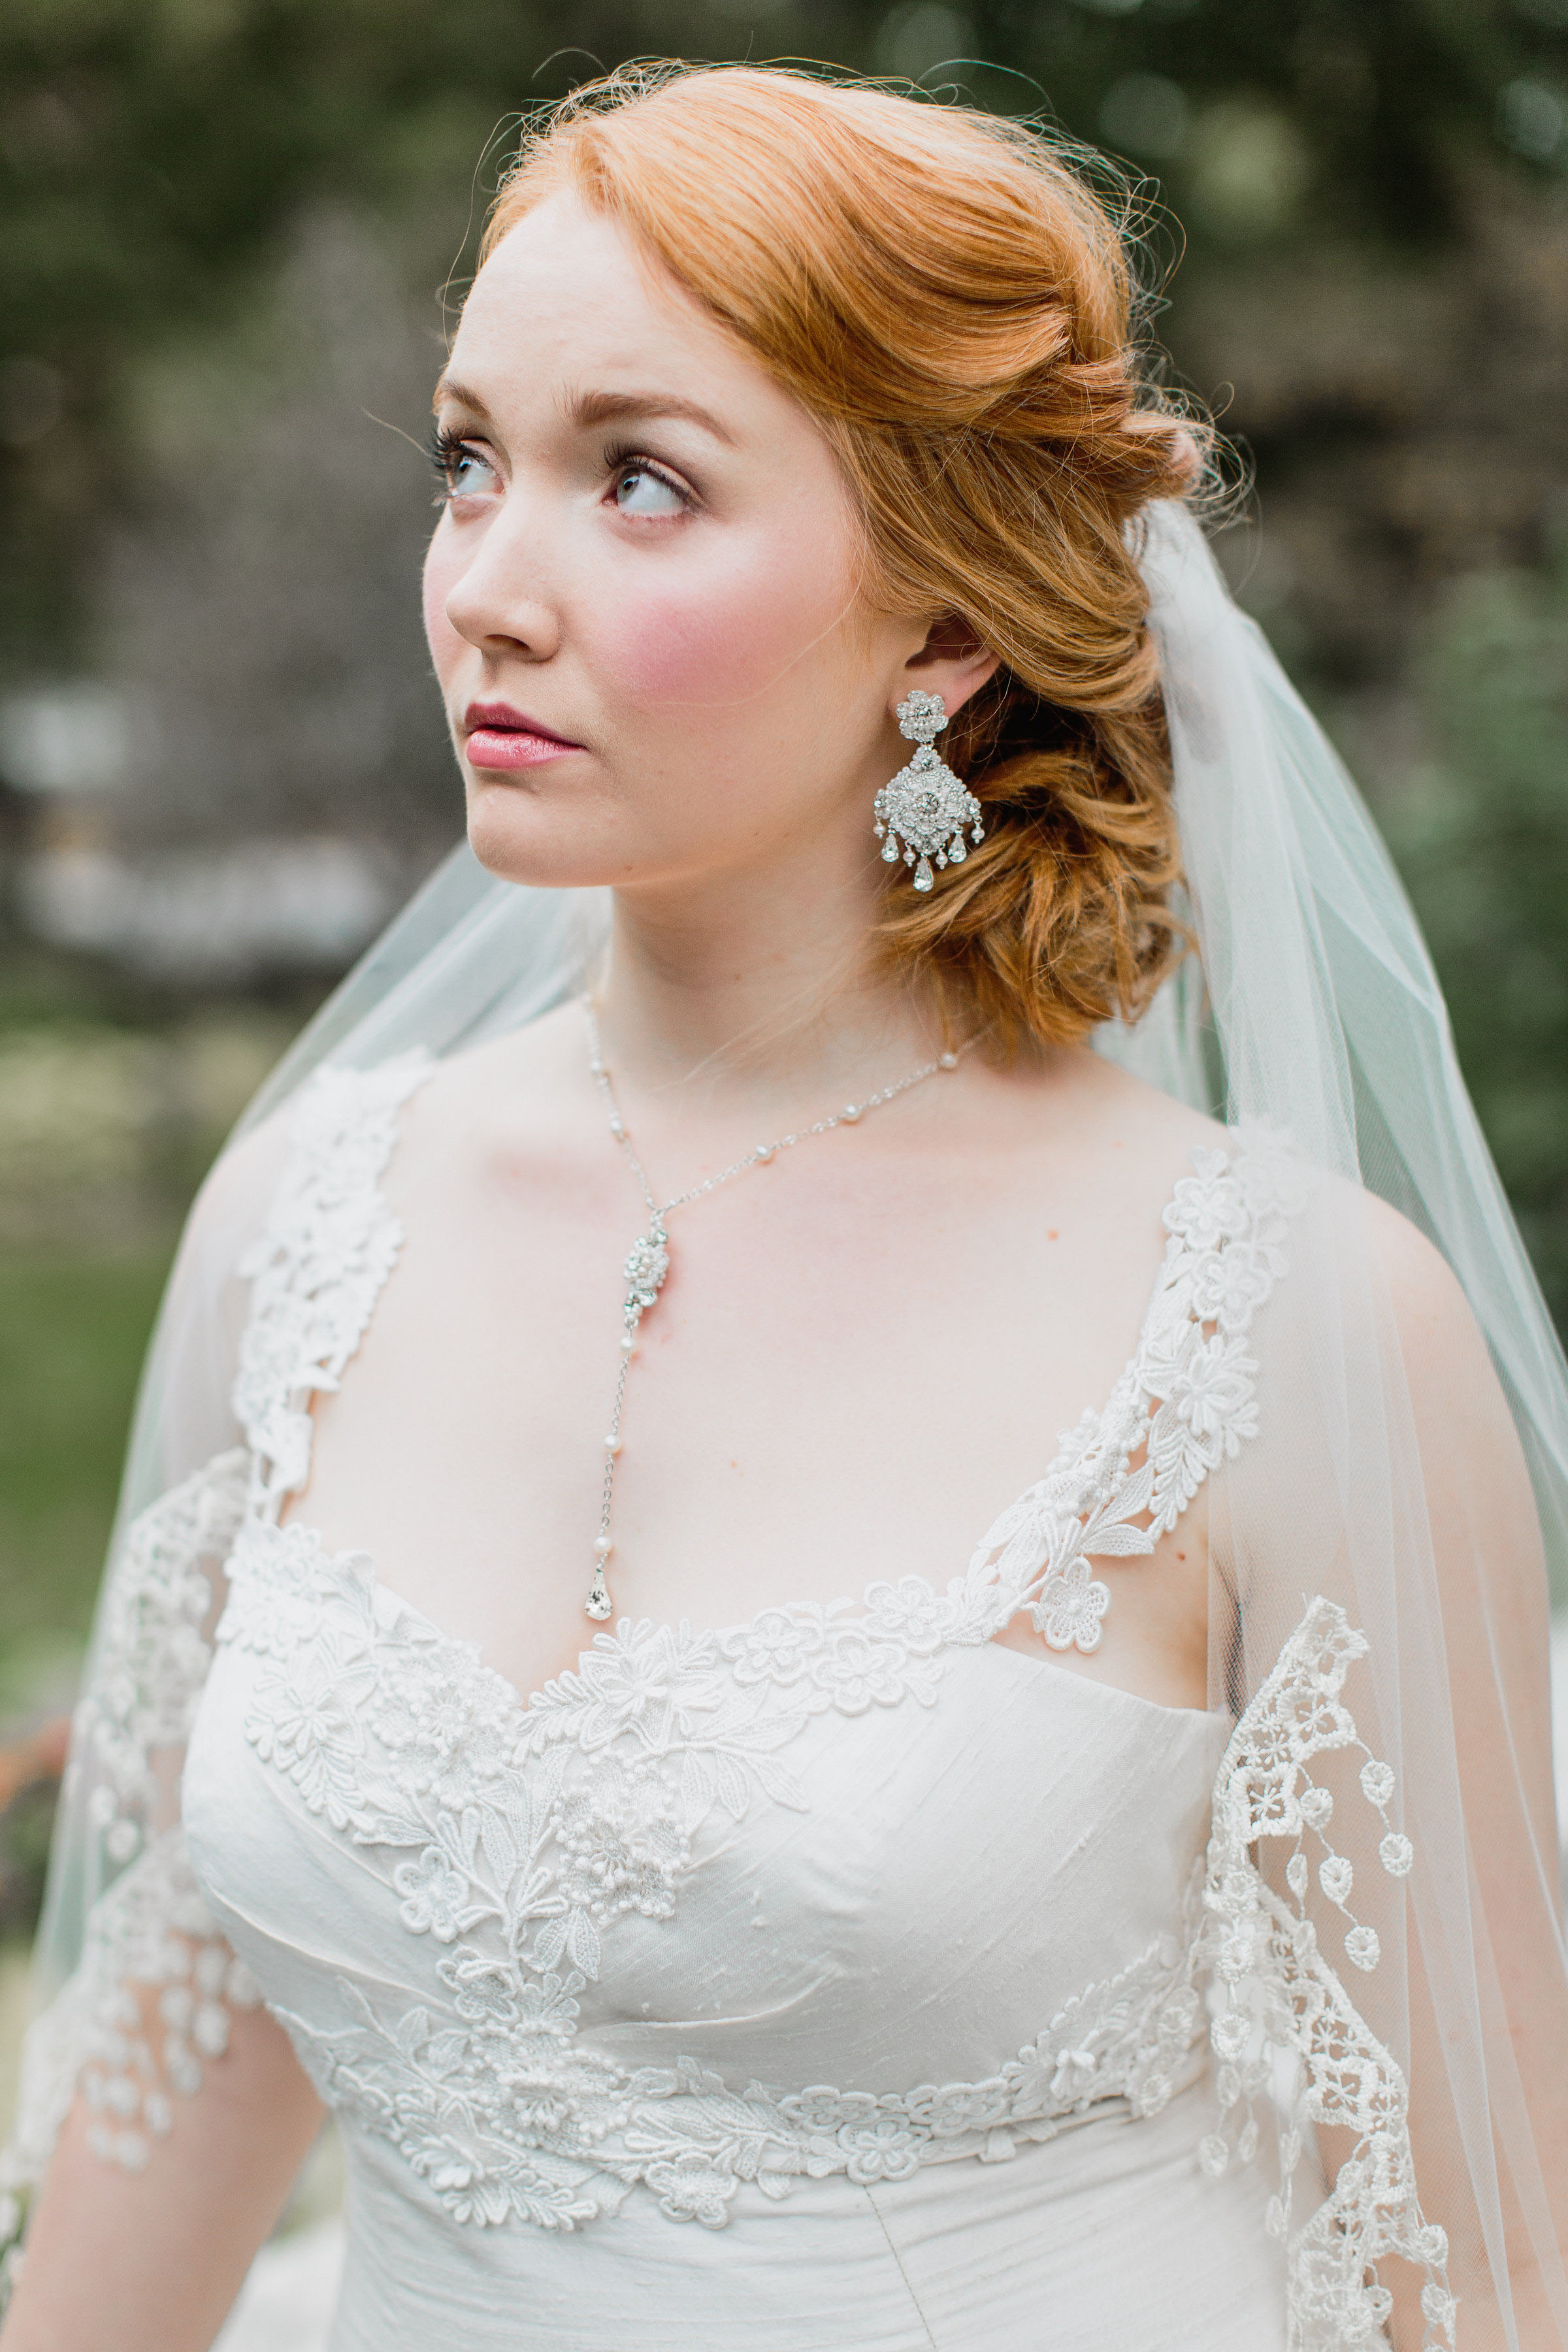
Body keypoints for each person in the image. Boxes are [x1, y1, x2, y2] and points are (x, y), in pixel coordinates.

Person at [2, 61, 1565, 2352]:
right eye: (468, 461)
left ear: (941, 630)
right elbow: (156, 2117)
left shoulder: (1289, 1330)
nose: (487, 592)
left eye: (638, 481)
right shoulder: (308, 1224)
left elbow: (1468, 2270)